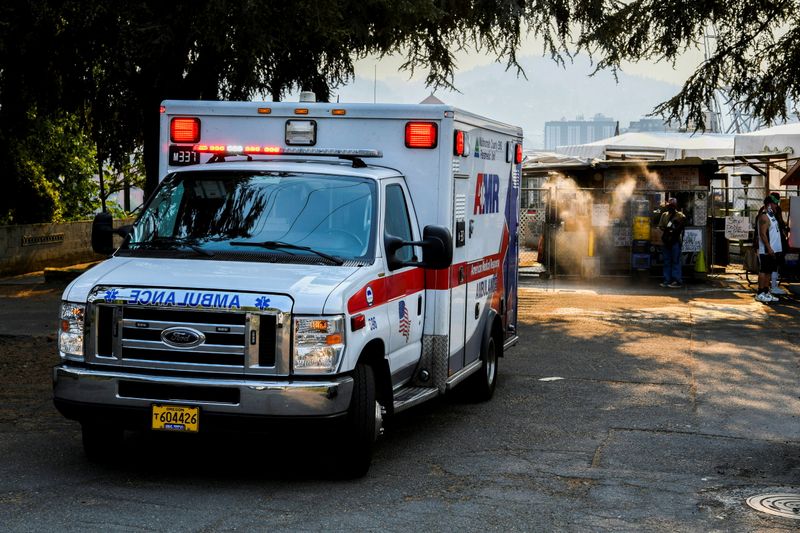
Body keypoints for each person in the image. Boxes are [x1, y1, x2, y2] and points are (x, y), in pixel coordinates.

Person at [755, 195, 783, 303]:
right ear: (769, 204)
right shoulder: (764, 216)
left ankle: (766, 292)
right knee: (764, 271)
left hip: (773, 250)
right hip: (766, 250)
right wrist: (769, 247)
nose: (777, 206)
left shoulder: (772, 215)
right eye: (775, 203)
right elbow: (762, 234)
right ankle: (760, 293)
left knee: (769, 272)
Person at [658, 197, 686, 288]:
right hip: (666, 241)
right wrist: (667, 230)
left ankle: (677, 281)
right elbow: (660, 226)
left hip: (675, 241)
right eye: (669, 205)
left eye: (672, 205)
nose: (670, 207)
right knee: (667, 261)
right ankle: (667, 280)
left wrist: (675, 226)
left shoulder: (680, 215)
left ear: (675, 206)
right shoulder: (664, 215)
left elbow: (683, 222)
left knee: (676, 261)